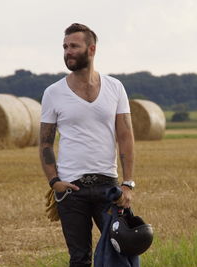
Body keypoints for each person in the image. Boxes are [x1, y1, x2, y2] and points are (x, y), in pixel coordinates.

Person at [39, 23, 135, 267]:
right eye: (65, 47)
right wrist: (54, 183)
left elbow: (125, 137)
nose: (67, 51)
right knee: (79, 260)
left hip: (108, 188)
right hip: (72, 190)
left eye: (74, 46)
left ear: (91, 49)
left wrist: (128, 184)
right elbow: (45, 143)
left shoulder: (115, 88)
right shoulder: (53, 92)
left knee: (120, 253)